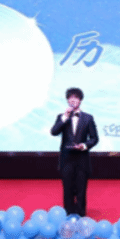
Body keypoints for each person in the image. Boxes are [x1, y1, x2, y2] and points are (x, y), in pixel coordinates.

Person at [50, 87, 98, 216]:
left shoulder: (88, 118)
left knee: (81, 190)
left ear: (80, 100)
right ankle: (68, 215)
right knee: (67, 190)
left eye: (76, 97)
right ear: (67, 100)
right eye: (70, 98)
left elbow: (94, 138)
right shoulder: (61, 117)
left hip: (82, 160)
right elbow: (54, 132)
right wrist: (65, 117)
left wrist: (84, 145)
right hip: (66, 159)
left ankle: (81, 215)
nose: (73, 100)